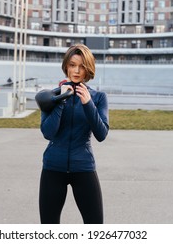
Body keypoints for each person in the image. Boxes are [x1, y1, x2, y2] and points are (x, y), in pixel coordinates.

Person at [38, 44, 109, 224]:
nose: (76, 71)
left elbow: (101, 134)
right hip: (53, 168)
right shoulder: (51, 96)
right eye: (72, 65)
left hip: (83, 167)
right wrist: (61, 100)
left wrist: (88, 104)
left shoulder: (99, 98)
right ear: (66, 66)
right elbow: (48, 132)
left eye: (82, 66)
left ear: (88, 69)